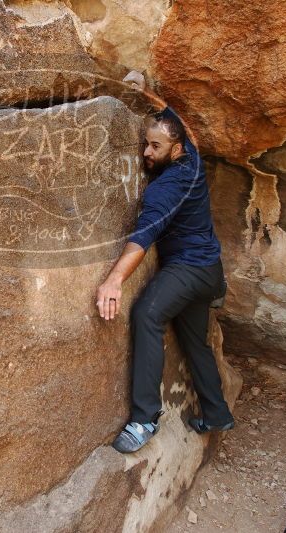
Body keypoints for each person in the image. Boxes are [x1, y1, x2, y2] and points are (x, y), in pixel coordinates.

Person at [95, 70, 234, 454]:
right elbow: (181, 122)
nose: (146, 153)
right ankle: (217, 413)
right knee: (195, 342)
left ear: (174, 150)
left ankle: (144, 419)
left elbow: (144, 236)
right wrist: (149, 95)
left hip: (189, 270)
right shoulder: (192, 156)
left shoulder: (167, 187)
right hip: (210, 273)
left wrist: (114, 280)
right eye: (145, 144)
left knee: (147, 315)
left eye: (155, 147)